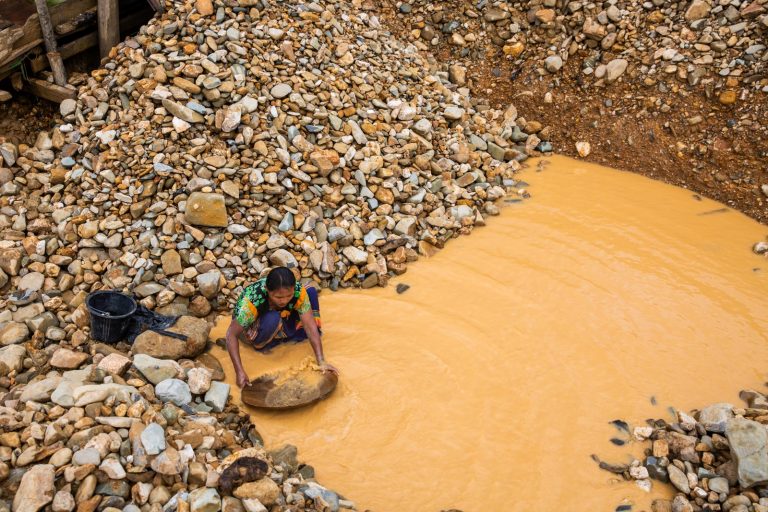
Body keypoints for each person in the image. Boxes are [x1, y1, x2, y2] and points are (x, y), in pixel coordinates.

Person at [226, 266, 338, 388]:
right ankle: (263, 345)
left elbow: (310, 326)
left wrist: (321, 361)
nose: (284, 301)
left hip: (279, 313)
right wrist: (239, 372)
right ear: (268, 290)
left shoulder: (297, 291)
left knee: (310, 292)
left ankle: (288, 334)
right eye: (278, 297)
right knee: (273, 318)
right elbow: (231, 335)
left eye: (288, 296)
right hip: (252, 327)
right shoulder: (251, 302)